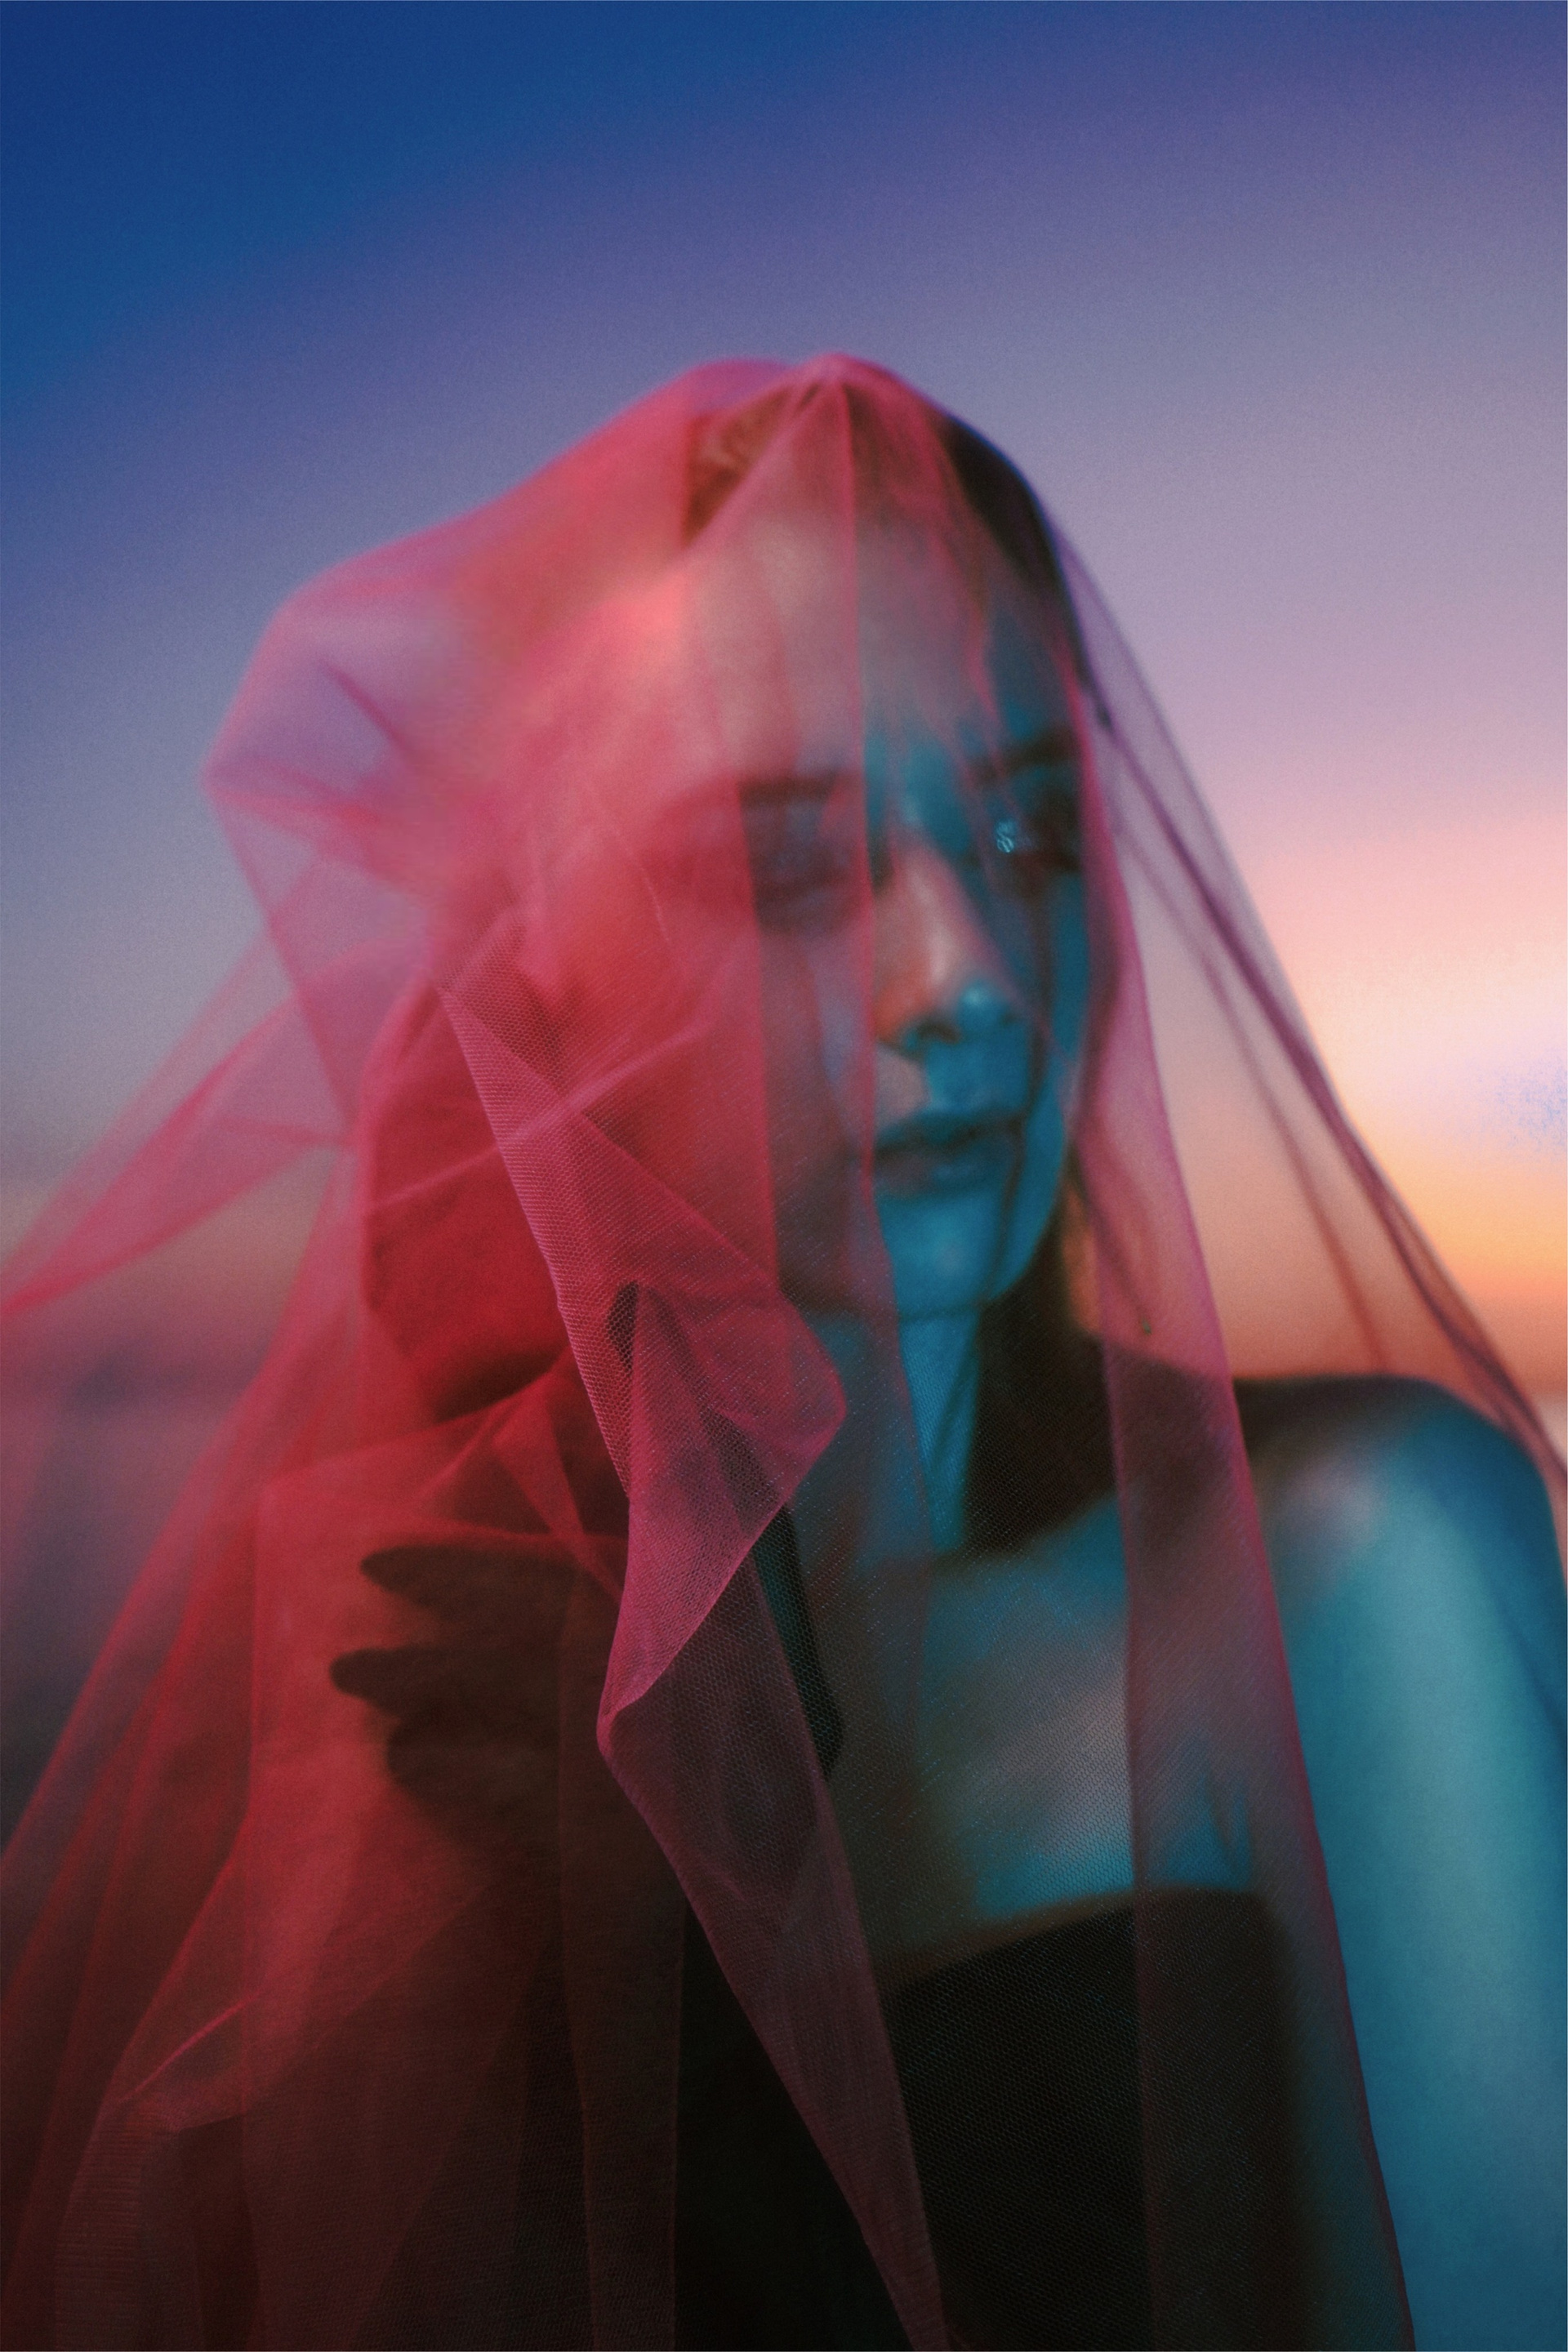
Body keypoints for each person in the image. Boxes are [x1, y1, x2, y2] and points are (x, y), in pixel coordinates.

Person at [1, 356, 1561, 2352]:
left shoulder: (1354, 1577)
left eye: (1029, 834)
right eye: (789, 864)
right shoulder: (461, 1711)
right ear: (540, 980)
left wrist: (725, 2027)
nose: (966, 979)